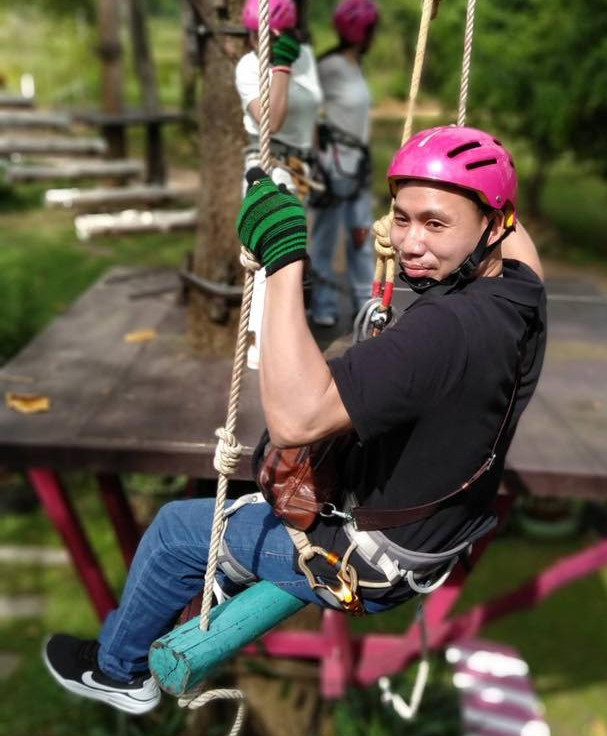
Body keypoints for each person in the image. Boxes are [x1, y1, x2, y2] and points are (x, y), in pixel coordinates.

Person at [42, 125, 546, 716]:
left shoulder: (443, 332)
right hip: (428, 538)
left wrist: (282, 262)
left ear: (492, 224)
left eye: (435, 224)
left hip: (365, 559)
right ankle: (223, 571)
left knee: (177, 532)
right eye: (401, 217)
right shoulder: (519, 296)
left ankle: (117, 672)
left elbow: (296, 418)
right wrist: (449, 192)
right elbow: (520, 245)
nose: (409, 243)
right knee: (262, 491)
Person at [235, 0, 323, 367]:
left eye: (269, 34)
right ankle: (260, 347)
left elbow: (311, 112)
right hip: (270, 167)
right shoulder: (247, 67)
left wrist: (321, 163)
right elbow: (274, 120)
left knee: (297, 259)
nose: (261, 41)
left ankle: (286, 339)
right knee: (274, 253)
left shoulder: (306, 57)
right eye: (256, 34)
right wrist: (280, 68)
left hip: (302, 168)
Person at [309, 0, 379, 327]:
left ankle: (365, 305)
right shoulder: (330, 67)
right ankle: (322, 306)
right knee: (324, 238)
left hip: (358, 169)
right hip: (332, 167)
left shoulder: (353, 65)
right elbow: (304, 101)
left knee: (361, 238)